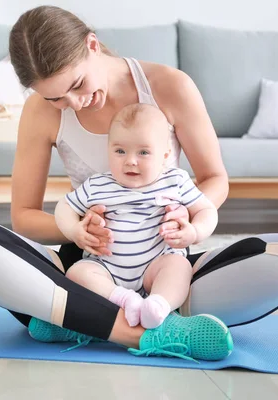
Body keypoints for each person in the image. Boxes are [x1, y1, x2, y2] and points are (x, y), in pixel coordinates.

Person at [0, 5, 278, 361]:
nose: (76, 102)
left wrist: (190, 221)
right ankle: (153, 334)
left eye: (78, 84)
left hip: (162, 258)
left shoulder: (169, 86)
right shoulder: (40, 112)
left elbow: (215, 179)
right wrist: (78, 231)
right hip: (90, 267)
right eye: (56, 98)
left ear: (93, 45)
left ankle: (79, 321)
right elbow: (24, 216)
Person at [56, 102, 220, 332]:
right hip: (106, 268)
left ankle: (159, 305)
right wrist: (75, 231)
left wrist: (194, 232)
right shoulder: (98, 184)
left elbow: (207, 210)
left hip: (155, 265)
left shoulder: (175, 181)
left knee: (179, 267)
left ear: (164, 155)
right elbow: (64, 206)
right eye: (120, 151)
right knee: (77, 273)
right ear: (108, 149)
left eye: (143, 152)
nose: (130, 160)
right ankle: (123, 300)